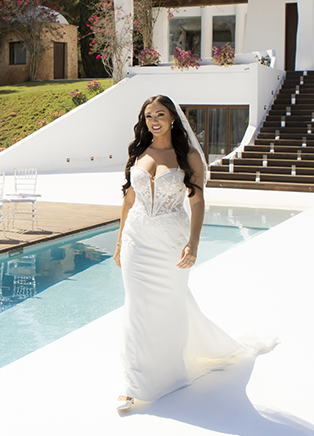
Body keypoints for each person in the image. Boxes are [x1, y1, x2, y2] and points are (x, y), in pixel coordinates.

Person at [113, 94, 264, 412]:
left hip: (171, 241)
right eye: (149, 115)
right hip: (136, 241)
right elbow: (128, 200)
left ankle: (167, 371)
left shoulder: (189, 156)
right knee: (136, 308)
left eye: (160, 114)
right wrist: (118, 242)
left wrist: (193, 244)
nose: (154, 120)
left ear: (172, 118)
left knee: (169, 309)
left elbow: (197, 201)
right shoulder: (137, 151)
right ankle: (131, 383)